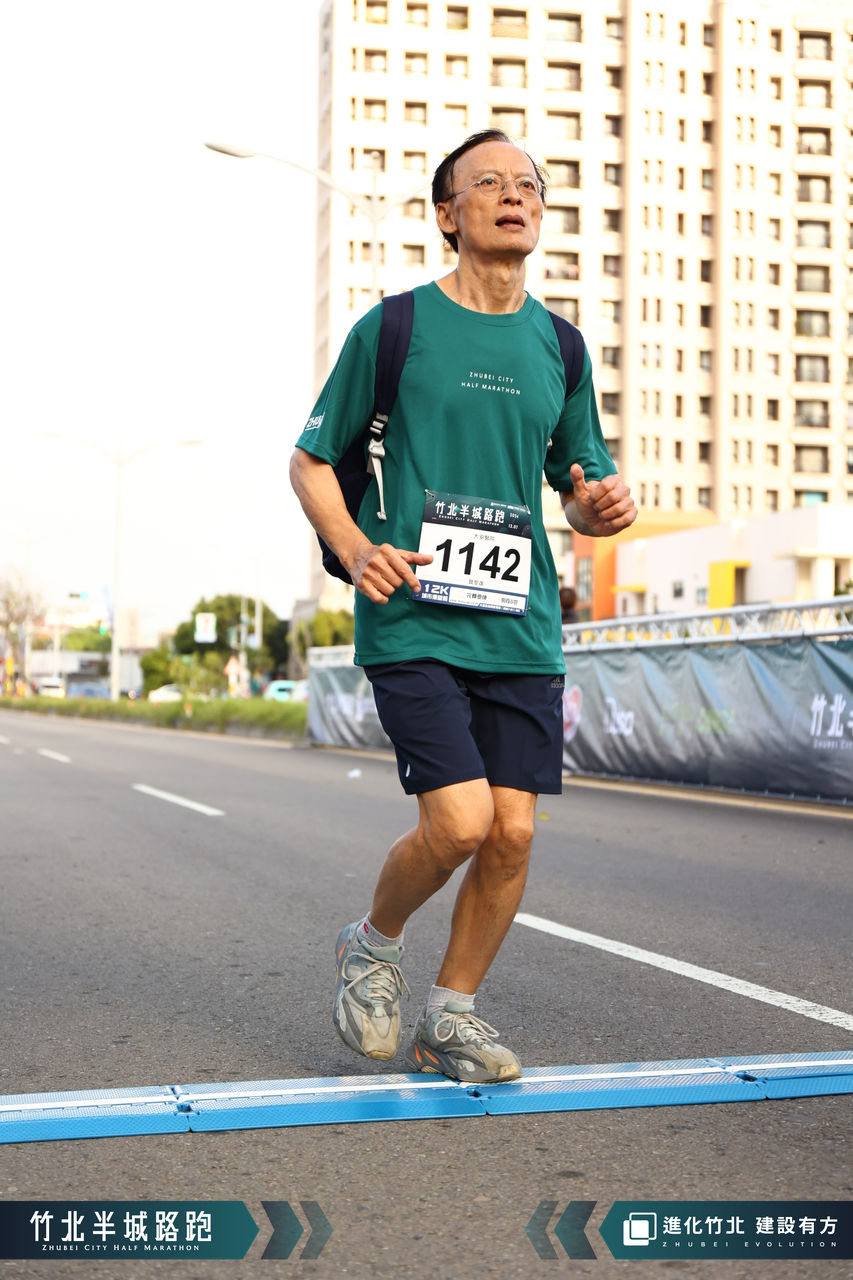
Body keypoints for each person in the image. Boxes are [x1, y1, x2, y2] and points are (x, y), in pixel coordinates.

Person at [290, 129, 636, 1083]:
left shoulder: (560, 347)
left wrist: (600, 507)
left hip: (519, 624)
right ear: (448, 214)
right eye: (489, 182)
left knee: (513, 832)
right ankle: (371, 944)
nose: (514, 194)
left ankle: (450, 1017)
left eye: (528, 184)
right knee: (460, 823)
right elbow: (310, 461)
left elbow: (578, 487)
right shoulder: (395, 328)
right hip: (415, 614)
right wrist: (356, 549)